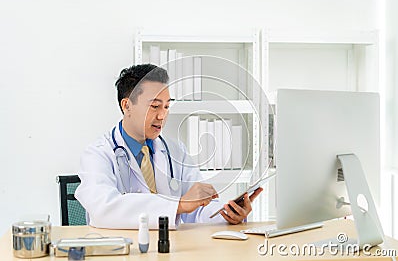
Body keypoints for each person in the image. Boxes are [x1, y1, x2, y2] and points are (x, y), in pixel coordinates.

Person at [75, 64, 262, 229]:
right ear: (127, 106)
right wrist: (178, 205)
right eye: (154, 106)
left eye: (166, 106)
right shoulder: (98, 154)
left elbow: (195, 210)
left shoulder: (175, 151)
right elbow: (103, 209)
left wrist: (226, 214)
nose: (162, 116)